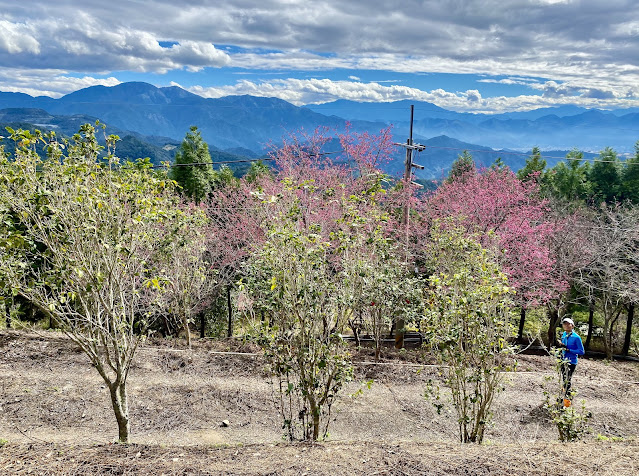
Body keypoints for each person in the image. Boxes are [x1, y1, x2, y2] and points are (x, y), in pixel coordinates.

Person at [556, 317, 585, 399]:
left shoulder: (576, 337)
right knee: (564, 378)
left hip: (571, 361)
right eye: (564, 324)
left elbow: (581, 351)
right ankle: (565, 396)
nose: (566, 325)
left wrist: (569, 350)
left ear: (572, 326)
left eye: (568, 324)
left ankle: (567, 399)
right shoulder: (564, 334)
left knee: (567, 379)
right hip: (562, 360)